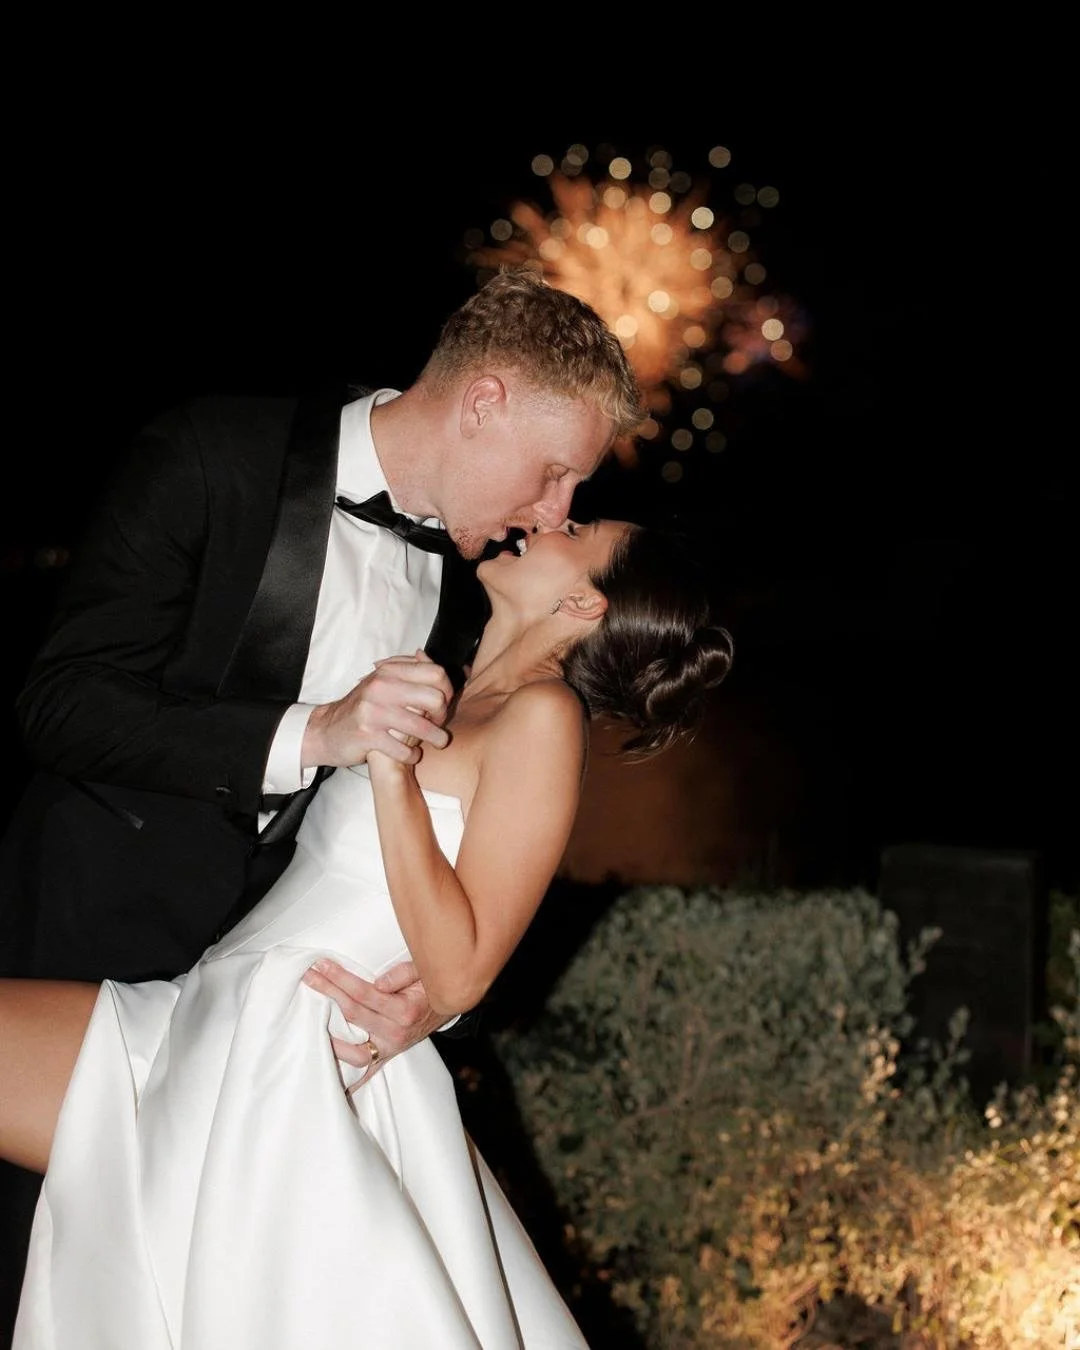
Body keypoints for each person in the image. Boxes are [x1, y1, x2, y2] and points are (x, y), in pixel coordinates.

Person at [0, 264, 644, 1336]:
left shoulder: (472, 600)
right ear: (483, 403)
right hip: (95, 923)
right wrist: (315, 734)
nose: (554, 510)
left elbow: (454, 855)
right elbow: (60, 702)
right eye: (552, 474)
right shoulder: (215, 453)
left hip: (283, 1019)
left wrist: (430, 1002)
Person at [1, 515, 734, 1347]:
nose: (545, 521)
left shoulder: (544, 714)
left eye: (577, 529)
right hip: (211, 1013)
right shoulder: (456, 688)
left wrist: (391, 774)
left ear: (582, 602)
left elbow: (460, 975)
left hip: (292, 1055)